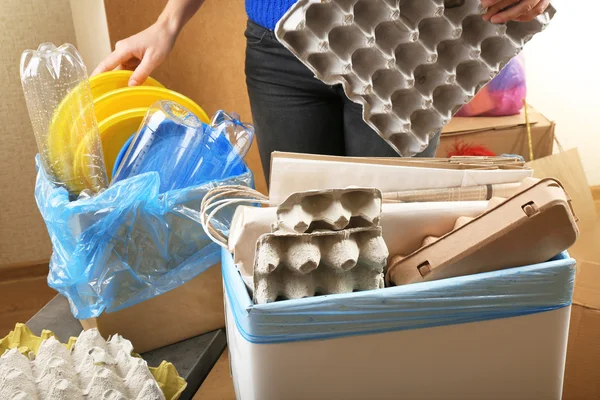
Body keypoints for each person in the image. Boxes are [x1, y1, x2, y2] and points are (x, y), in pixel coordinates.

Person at [93, 0, 550, 181]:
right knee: (303, 236)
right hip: (281, 50)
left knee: (390, 241)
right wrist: (167, 23)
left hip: (409, 55)